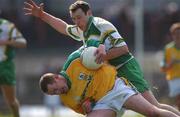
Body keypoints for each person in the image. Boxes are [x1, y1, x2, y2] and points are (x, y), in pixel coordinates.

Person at [23, 0, 180, 115]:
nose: (76, 22)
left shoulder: (102, 26)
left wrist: (105, 55)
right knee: (154, 108)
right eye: (74, 19)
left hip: (124, 67)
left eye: (79, 17)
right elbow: (64, 28)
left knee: (154, 107)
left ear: (89, 13)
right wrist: (42, 16)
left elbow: (123, 49)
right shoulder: (83, 29)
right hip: (110, 75)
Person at [39, 49, 179, 117]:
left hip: (115, 88)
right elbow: (85, 109)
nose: (59, 93)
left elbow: (94, 46)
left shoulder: (74, 61)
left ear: (57, 77)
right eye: (54, 94)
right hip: (102, 104)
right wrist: (88, 106)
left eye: (55, 89)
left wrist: (97, 51)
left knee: (153, 112)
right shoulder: (66, 99)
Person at [0, 18, 27, 117]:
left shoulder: (7, 26)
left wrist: (7, 42)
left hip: (5, 66)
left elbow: (23, 42)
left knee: (11, 101)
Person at [160, 22, 180, 111]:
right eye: (176, 34)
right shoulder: (168, 49)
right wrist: (170, 64)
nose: (178, 36)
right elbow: (162, 66)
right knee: (177, 100)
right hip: (174, 79)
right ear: (172, 35)